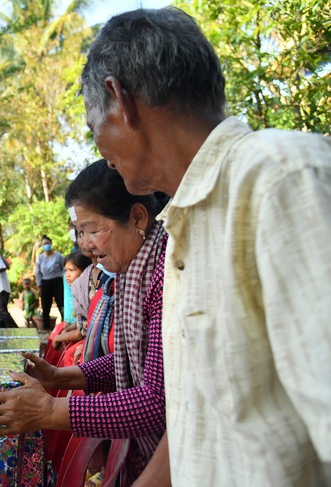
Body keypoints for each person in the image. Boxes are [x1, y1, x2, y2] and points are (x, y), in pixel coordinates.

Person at [80, 7, 331, 485]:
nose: (99, 149)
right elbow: (202, 413)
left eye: (95, 125)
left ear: (120, 100)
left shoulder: (279, 180)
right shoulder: (185, 225)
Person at [0, 160, 169, 486]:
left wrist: (50, 411)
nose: (83, 245)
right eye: (78, 233)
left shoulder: (164, 274)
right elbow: (132, 360)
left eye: (91, 229)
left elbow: (157, 402)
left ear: (137, 218)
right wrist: (60, 376)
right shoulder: (130, 267)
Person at [48, 250, 92, 366]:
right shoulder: (78, 291)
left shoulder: (87, 295)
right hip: (81, 333)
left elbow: (81, 332)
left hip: (87, 339)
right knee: (59, 330)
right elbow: (80, 320)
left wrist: (59, 338)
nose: (67, 275)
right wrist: (66, 330)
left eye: (72, 270)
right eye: (65, 270)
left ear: (85, 272)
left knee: (68, 351)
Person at [34, 235, 64, 332]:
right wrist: (39, 285)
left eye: (47, 243)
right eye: (44, 244)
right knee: (45, 306)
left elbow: (64, 269)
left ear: (51, 244)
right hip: (45, 282)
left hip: (58, 281)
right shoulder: (41, 258)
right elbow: (38, 272)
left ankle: (65, 324)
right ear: (42, 246)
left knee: (61, 303)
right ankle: (46, 327)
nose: (46, 245)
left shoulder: (58, 256)